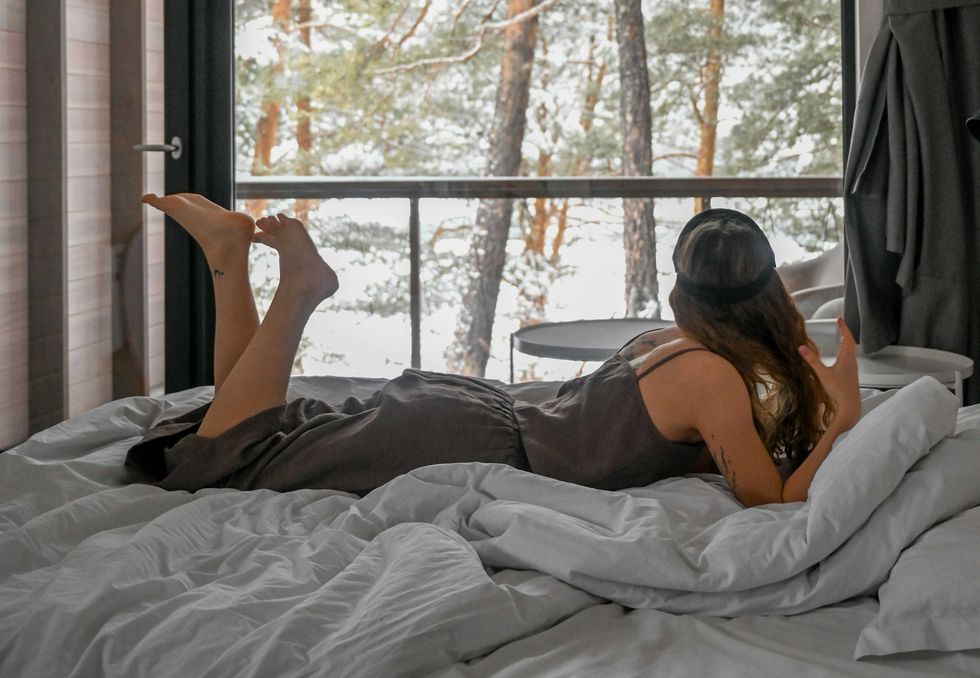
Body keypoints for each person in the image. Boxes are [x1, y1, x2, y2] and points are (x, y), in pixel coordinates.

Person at [125, 196, 861, 508]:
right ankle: (299, 288)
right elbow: (772, 501)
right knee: (222, 460)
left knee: (248, 431)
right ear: (767, 298)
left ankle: (228, 258)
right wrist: (845, 417)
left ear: (685, 289)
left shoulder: (667, 342)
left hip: (468, 412)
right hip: (462, 439)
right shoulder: (715, 383)